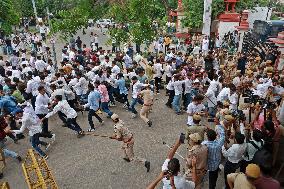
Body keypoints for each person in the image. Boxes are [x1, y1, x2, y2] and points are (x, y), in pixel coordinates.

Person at [201, 117, 225, 189]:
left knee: (205, 175)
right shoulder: (219, 143)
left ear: (207, 137)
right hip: (216, 164)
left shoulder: (204, 144)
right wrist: (218, 124)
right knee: (213, 179)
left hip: (207, 164)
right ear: (215, 137)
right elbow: (223, 134)